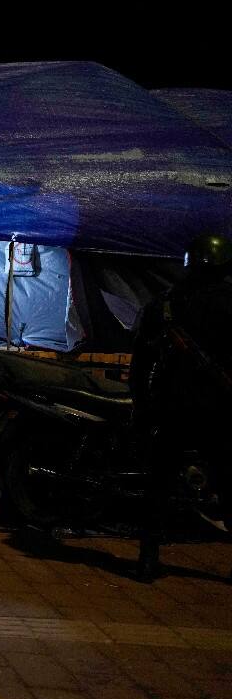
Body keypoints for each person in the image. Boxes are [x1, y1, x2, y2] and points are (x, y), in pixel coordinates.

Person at [131, 232, 232, 582]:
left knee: (158, 484)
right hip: (217, 411)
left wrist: (141, 403)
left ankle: (147, 558)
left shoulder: (165, 304)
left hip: (172, 408)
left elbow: (140, 361)